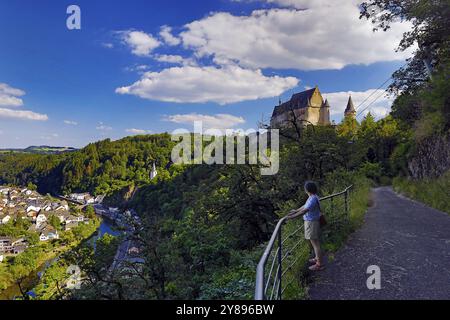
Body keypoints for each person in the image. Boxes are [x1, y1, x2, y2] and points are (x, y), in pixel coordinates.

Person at [286, 181, 324, 271]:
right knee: (314, 243)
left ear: (307, 189)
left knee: (315, 244)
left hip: (312, 222)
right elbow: (304, 206)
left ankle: (319, 264)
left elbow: (305, 210)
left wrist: (292, 217)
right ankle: (317, 258)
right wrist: (295, 211)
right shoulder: (312, 197)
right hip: (312, 222)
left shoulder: (312, 198)